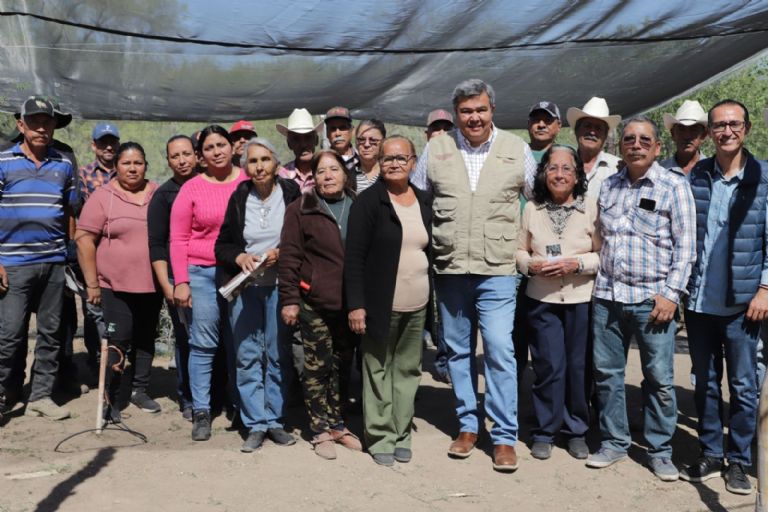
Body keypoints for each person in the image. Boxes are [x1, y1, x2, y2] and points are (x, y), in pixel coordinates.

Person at [413, 78, 538, 472]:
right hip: (450, 269)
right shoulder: (437, 149)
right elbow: (417, 197)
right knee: (458, 352)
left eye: (480, 110)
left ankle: (503, 436)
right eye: (466, 111)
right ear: (455, 115)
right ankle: (468, 426)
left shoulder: (516, 150)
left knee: (500, 349)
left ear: (492, 111)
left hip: (498, 269)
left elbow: (537, 203)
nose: (474, 118)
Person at [587, 116, 696, 482]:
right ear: (621, 146)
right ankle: (615, 442)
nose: (636, 144)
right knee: (607, 375)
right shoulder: (609, 186)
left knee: (660, 378)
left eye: (644, 139)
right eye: (630, 139)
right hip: (607, 296)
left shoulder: (672, 186)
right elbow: (600, 237)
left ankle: (660, 450)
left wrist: (670, 295)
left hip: (654, 301)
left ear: (658, 147)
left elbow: (686, 249)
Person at [680, 100, 768, 495]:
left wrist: (766, 288)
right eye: (719, 125)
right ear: (709, 132)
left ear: (746, 128)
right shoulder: (697, 174)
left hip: (743, 304)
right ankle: (712, 452)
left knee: (745, 386)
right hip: (699, 302)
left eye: (733, 124)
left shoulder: (763, 177)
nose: (726, 131)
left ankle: (739, 460)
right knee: (706, 382)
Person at [345, 135, 431, 466]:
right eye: (388, 158)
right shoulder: (369, 203)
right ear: (379, 163)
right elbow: (353, 258)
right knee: (377, 369)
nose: (394, 163)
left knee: (408, 370)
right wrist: (356, 304)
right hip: (380, 304)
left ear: (413, 162)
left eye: (401, 158)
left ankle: (401, 432)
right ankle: (380, 435)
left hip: (417, 304)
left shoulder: (424, 200)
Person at [215, 137, 300, 452]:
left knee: (277, 354)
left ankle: (275, 420)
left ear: (277, 163)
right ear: (245, 166)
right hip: (247, 287)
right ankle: (255, 423)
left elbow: (305, 238)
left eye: (266, 159)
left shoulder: (291, 194)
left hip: (281, 286)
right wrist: (239, 258)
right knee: (248, 355)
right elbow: (222, 245)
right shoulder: (239, 198)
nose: (260, 166)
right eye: (253, 161)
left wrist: (283, 251)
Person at [515, 145, 600, 461]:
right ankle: (545, 431)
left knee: (578, 367)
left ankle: (576, 430)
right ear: (543, 173)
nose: (560, 174)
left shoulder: (591, 208)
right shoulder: (532, 209)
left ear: (577, 175)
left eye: (567, 168)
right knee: (549, 366)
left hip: (581, 300)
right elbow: (519, 251)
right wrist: (530, 265)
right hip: (542, 299)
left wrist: (576, 264)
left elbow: (603, 254)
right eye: (553, 168)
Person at [279, 150, 362, 460]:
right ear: (313, 176)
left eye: (334, 169)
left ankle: (339, 424)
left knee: (343, 365)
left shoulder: (358, 205)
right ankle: (319, 429)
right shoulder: (301, 208)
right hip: (313, 300)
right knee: (317, 366)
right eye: (322, 171)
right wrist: (289, 300)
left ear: (344, 173)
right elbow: (290, 257)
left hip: (350, 303)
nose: (328, 175)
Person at [0, 95, 77, 421]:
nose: (42, 127)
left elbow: (70, 210)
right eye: (34, 121)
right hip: (13, 264)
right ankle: (4, 393)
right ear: (21, 125)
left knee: (51, 333)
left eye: (47, 121)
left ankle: (40, 396)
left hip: (54, 261)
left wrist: (67, 252)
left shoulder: (64, 162)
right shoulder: (3, 160)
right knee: (9, 334)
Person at [171, 125, 248, 441]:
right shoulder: (191, 188)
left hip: (241, 273)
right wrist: (181, 281)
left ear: (232, 148)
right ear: (201, 156)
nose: (216, 151)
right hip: (202, 272)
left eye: (221, 145)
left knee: (242, 342)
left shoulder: (247, 181)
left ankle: (244, 408)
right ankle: (201, 410)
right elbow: (177, 237)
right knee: (203, 344)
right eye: (209, 148)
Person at [75, 142, 162, 422]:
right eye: (126, 163)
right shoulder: (103, 197)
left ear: (146, 165)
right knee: (118, 338)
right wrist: (92, 284)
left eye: (138, 162)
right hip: (114, 286)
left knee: (146, 337)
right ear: (116, 166)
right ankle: (111, 398)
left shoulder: (157, 194)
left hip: (152, 283)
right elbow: (84, 239)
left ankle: (139, 390)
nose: (133, 168)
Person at [148, 134, 198, 421]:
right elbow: (156, 244)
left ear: (196, 155)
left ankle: (215, 394)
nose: (182, 160)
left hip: (210, 273)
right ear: (167, 161)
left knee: (213, 339)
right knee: (185, 338)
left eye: (186, 154)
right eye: (175, 156)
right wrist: (167, 283)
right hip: (178, 278)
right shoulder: (164, 196)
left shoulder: (208, 185)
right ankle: (188, 397)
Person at [565, 97, 622, 197]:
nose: (592, 132)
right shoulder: (562, 164)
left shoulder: (618, 168)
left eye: (598, 128)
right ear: (577, 131)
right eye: (587, 126)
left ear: (605, 136)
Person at [277, 108, 322, 192]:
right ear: (289, 144)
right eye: (296, 139)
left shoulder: (327, 171)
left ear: (316, 140)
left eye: (308, 137)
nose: (303, 144)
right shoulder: (281, 175)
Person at [659, 100, 708, 175]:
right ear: (673, 134)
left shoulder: (714, 171)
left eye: (693, 129)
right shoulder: (660, 171)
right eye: (681, 129)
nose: (687, 136)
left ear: (703, 135)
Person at [324, 106, 359, 176]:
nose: (337, 134)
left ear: (352, 130)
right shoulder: (322, 162)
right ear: (327, 133)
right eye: (333, 129)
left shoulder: (363, 160)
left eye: (342, 128)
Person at [354, 119, 387, 193]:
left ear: (384, 142)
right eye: (361, 139)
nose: (366, 144)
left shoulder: (390, 172)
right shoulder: (347, 175)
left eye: (373, 140)